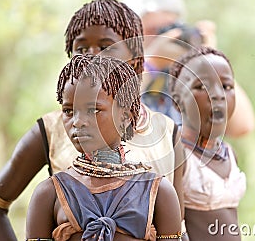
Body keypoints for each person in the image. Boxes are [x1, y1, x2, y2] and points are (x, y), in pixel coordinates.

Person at [0, 0, 185, 241]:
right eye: (82, 49)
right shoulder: (51, 130)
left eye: (107, 47)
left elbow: (178, 225)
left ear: (137, 61)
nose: (94, 57)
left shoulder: (167, 132)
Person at [26, 54, 182, 240]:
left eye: (93, 110)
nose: (78, 122)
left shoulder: (158, 192)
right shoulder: (50, 194)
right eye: (69, 111)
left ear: (125, 117)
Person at [121, 0, 255, 137]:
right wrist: (151, 63)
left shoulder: (186, 76)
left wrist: (211, 62)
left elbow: (242, 126)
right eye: (153, 30)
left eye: (170, 28)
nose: (163, 37)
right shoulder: (109, 71)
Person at [169, 46, 246, 240]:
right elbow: (173, 231)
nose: (218, 95)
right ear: (177, 99)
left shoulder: (228, 152)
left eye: (227, 87)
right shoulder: (178, 154)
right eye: (202, 86)